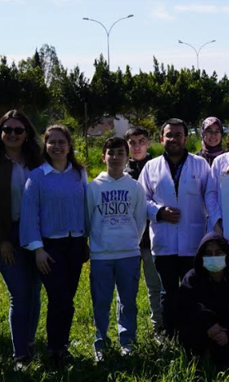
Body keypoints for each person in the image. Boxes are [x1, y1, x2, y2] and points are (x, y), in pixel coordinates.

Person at [0, 110, 44, 371]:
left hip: (36, 235)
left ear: (27, 134)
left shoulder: (38, 161)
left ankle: (29, 342)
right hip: (7, 235)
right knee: (20, 292)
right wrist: (1, 240)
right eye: (7, 130)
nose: (12, 134)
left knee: (35, 291)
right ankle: (20, 355)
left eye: (18, 130)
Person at [19, 124, 88, 368]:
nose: (57, 146)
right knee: (58, 298)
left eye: (62, 142)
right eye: (52, 142)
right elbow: (29, 216)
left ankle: (62, 346)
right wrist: (38, 250)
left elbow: (86, 209)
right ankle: (54, 350)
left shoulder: (79, 173)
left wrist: (87, 240)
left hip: (76, 245)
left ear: (70, 146)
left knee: (67, 299)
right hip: (50, 247)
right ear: (45, 146)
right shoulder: (37, 177)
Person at [138, 118, 211, 336]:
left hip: (193, 241)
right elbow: (141, 199)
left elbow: (211, 197)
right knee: (168, 292)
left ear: (186, 138)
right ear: (162, 138)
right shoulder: (151, 167)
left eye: (178, 135)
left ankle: (194, 333)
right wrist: (158, 212)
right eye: (169, 135)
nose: (173, 139)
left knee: (194, 290)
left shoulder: (200, 164)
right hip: (164, 242)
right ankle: (171, 334)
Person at [86, 136, 147, 361]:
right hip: (101, 255)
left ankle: (127, 342)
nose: (115, 157)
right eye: (111, 153)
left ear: (127, 157)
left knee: (128, 301)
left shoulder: (134, 187)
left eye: (120, 153)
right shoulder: (93, 188)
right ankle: (100, 342)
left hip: (128, 253)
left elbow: (140, 219)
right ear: (103, 157)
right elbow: (87, 219)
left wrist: (131, 241)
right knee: (101, 301)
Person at [176, 232, 229, 369]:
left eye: (218, 252)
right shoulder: (192, 279)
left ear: (227, 255)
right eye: (208, 253)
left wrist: (228, 331)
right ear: (201, 257)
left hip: (228, 337)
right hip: (201, 336)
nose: (213, 257)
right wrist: (208, 325)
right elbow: (183, 308)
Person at [124, 126, 164, 340]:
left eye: (141, 141)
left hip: (151, 239)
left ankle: (159, 326)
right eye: (132, 142)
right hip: (129, 241)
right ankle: (126, 333)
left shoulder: (159, 168)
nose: (137, 146)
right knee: (126, 289)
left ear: (149, 143)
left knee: (155, 285)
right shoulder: (122, 172)